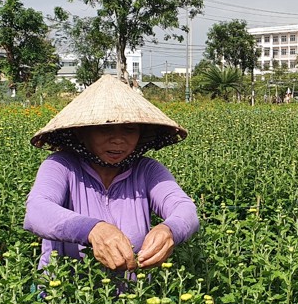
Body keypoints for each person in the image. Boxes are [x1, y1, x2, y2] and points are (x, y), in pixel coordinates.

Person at [24, 75, 198, 273]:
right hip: (63, 296)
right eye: (105, 128)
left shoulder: (146, 170)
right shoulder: (61, 166)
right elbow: (37, 211)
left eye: (129, 129)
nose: (118, 140)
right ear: (82, 132)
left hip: (132, 300)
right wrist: (93, 230)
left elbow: (184, 209)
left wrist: (169, 230)